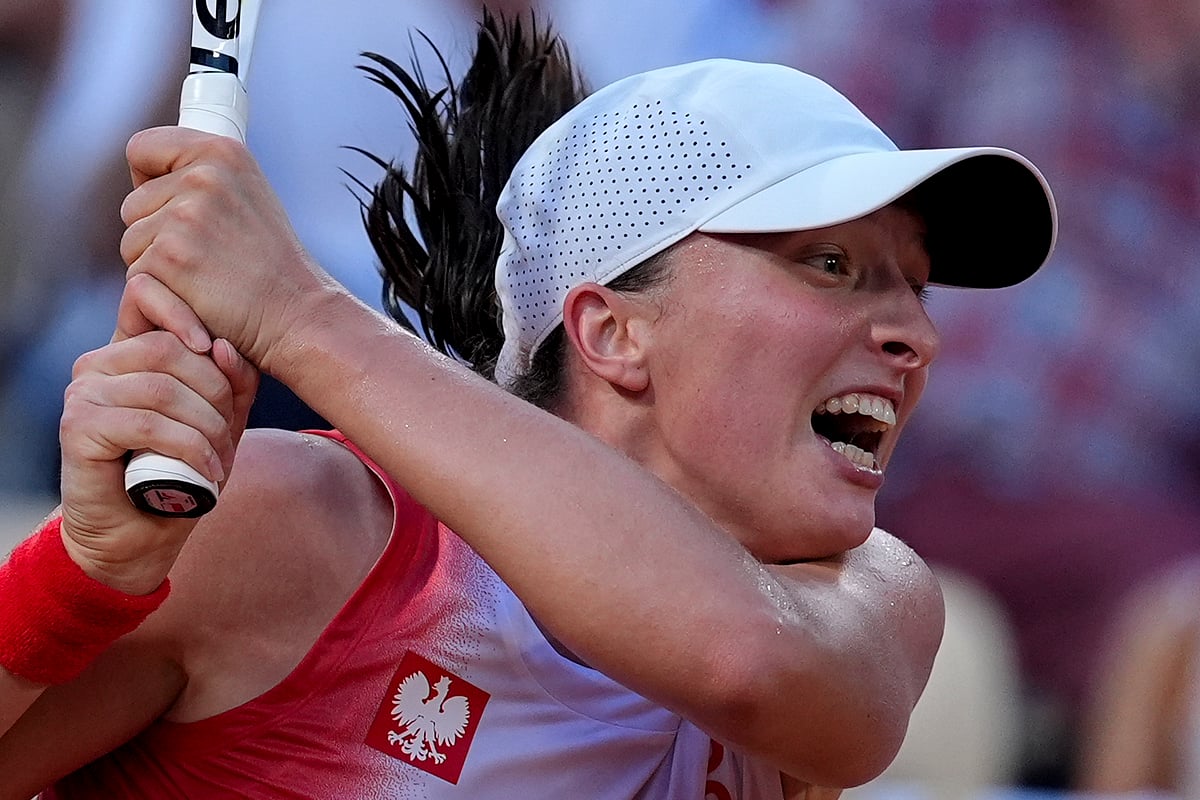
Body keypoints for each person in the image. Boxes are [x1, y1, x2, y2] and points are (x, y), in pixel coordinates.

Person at [0, 13, 1056, 798]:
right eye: (832, 264)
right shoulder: (305, 524)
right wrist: (87, 572)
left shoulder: (871, 599)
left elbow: (747, 660)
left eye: (913, 285)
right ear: (612, 331)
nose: (917, 335)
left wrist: (298, 314)